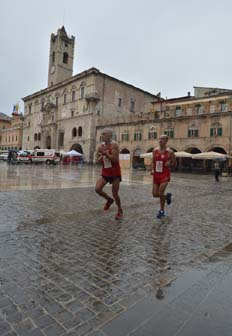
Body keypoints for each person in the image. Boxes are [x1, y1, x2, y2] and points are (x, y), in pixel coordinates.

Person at [95, 128, 123, 220]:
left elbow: (115, 160)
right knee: (97, 189)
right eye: (102, 134)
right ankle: (109, 200)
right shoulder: (100, 146)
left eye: (104, 134)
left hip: (115, 172)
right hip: (105, 172)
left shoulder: (114, 145)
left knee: (115, 193)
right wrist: (100, 157)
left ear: (110, 135)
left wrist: (106, 154)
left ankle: (119, 210)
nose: (102, 136)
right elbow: (97, 160)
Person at [152, 134, 176, 219]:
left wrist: (170, 163)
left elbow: (175, 163)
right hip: (156, 174)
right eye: (159, 139)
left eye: (162, 139)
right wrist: (152, 169)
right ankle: (167, 197)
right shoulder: (154, 150)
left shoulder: (170, 152)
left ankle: (161, 211)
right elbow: (153, 161)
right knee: (155, 194)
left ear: (166, 141)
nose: (160, 140)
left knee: (160, 193)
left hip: (165, 175)